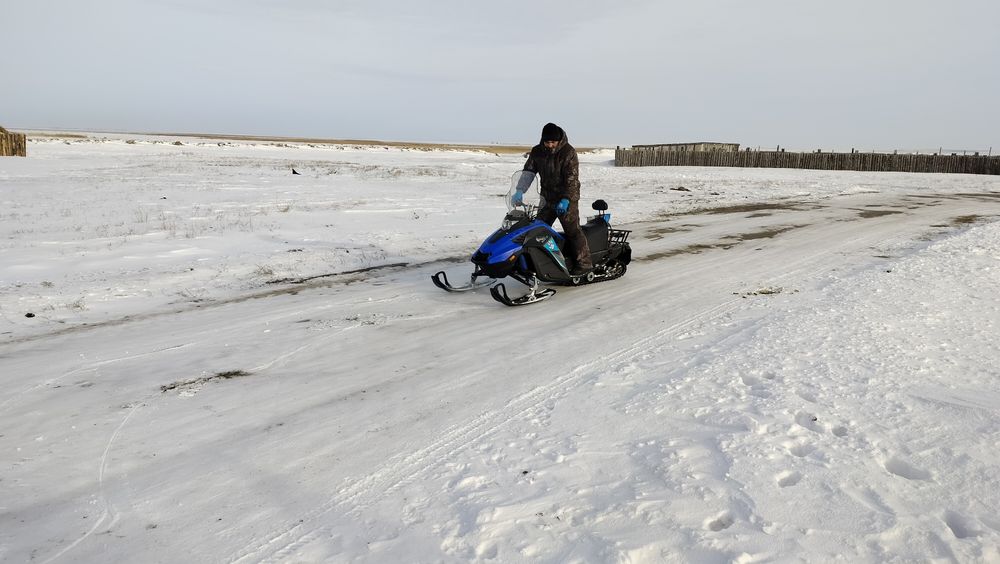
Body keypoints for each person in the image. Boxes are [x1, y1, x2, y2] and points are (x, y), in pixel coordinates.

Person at [514, 122, 592, 275]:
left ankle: (584, 264)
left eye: (553, 142)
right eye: (547, 142)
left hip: (567, 198)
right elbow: (528, 172)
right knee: (538, 230)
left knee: (572, 231)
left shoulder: (568, 152)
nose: (550, 145)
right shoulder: (537, 151)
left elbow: (572, 179)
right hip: (547, 198)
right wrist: (519, 190)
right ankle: (541, 262)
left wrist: (566, 199)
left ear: (559, 140)